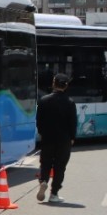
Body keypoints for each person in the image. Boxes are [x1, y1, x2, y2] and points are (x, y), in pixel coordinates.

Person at [36, 72, 77, 203]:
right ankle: (54, 194)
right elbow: (73, 123)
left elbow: (39, 121)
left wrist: (43, 133)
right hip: (64, 140)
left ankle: (43, 181)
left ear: (53, 84)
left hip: (47, 138)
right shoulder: (70, 103)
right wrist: (72, 137)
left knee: (45, 163)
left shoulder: (43, 101)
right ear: (66, 86)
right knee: (60, 167)